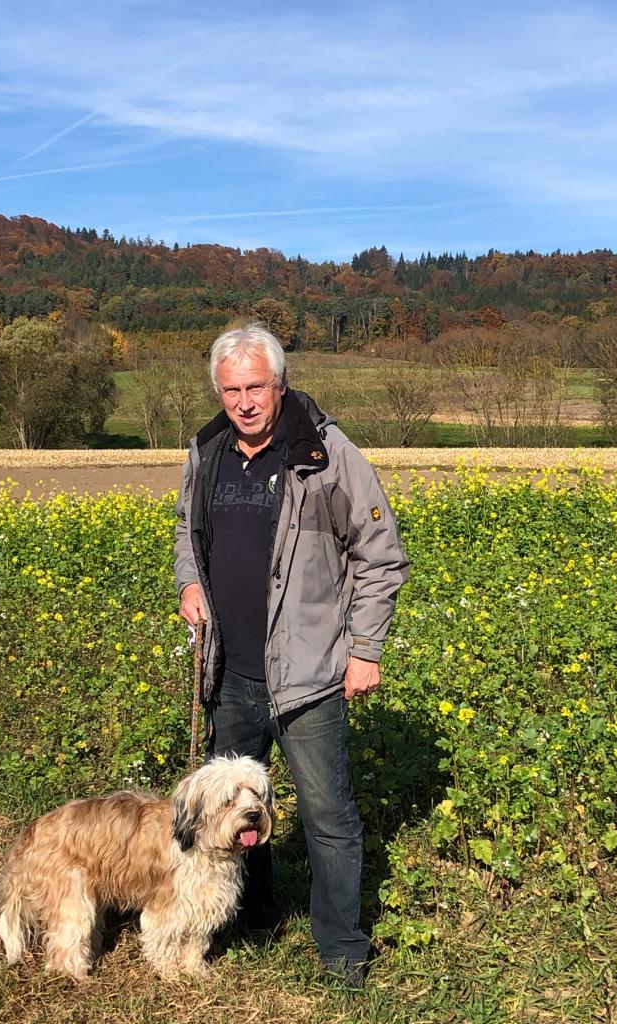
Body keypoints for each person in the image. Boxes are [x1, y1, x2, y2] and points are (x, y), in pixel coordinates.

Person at [174, 323, 409, 987]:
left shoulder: (326, 453)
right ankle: (251, 919)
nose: (244, 402)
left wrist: (365, 650)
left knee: (327, 818)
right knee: (232, 809)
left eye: (255, 387)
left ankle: (342, 952)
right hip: (229, 671)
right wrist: (189, 582)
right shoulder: (207, 449)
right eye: (231, 390)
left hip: (309, 675)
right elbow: (187, 531)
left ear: (279, 383)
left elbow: (381, 557)